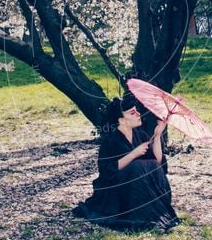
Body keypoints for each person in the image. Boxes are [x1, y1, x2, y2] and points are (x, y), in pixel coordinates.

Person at [72, 94, 181, 232]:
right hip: (116, 190)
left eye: (137, 110)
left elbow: (158, 164)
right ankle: (137, 214)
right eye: (132, 112)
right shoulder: (111, 140)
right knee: (137, 166)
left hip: (138, 188)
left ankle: (153, 211)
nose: (138, 114)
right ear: (121, 120)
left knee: (150, 166)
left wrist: (158, 135)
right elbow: (108, 171)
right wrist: (134, 154)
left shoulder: (140, 135)